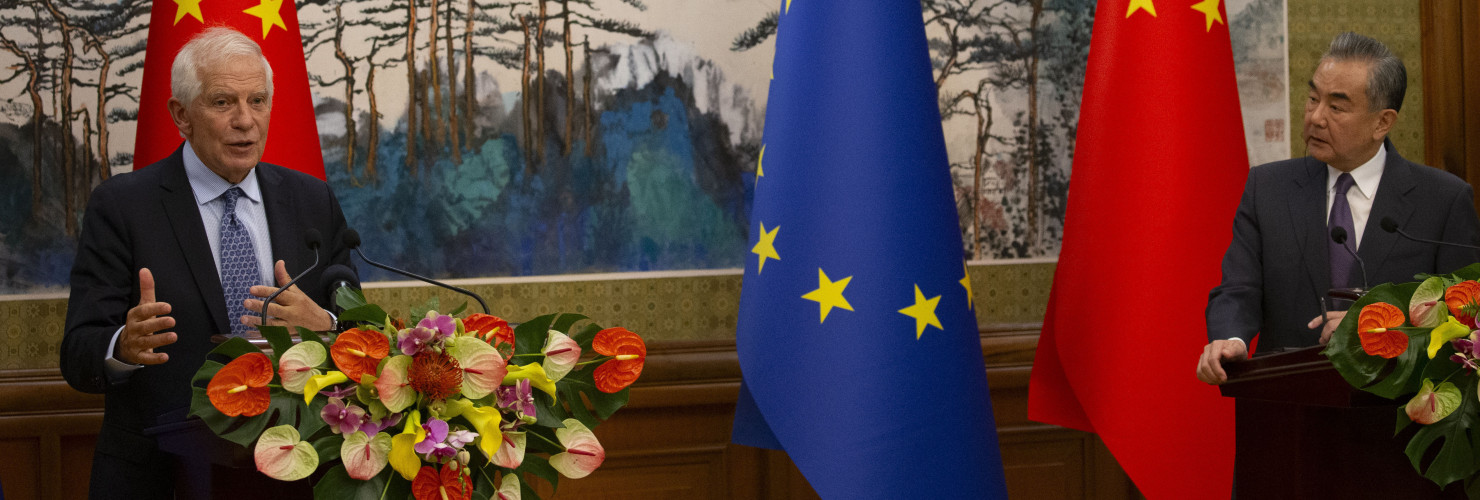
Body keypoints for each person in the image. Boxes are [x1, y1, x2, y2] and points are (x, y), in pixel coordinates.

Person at [59, 27, 354, 498]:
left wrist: (327, 323)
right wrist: (123, 344)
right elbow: (78, 352)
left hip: (295, 471)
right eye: (223, 103)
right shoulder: (122, 207)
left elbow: (357, 327)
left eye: (258, 101)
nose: (246, 121)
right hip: (165, 475)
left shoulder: (311, 200)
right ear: (181, 115)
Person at [1197, 32, 1480, 385]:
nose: (1315, 117)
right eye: (1313, 98)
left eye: (1336, 106)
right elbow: (1238, 288)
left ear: (1383, 122)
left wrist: (1383, 331)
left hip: (1396, 414)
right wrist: (1232, 339)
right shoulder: (1268, 188)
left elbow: (1467, 319)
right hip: (1287, 405)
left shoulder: (1442, 200)